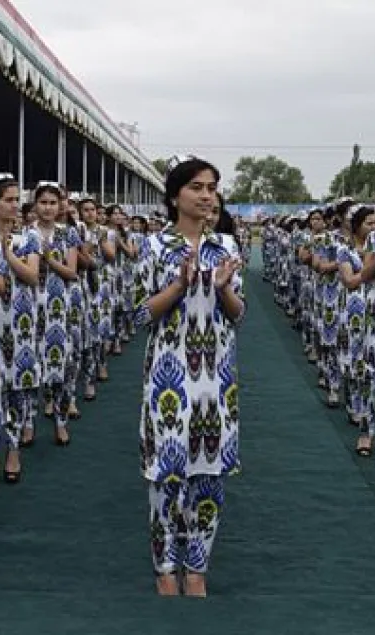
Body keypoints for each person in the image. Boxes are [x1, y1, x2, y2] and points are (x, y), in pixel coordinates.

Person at [135, 155, 244, 597]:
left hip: (216, 375)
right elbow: (141, 313)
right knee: (167, 472)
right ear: (175, 194)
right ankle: (165, 565)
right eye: (197, 186)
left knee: (209, 472)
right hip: (169, 372)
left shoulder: (228, 248)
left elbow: (240, 314)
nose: (205, 195)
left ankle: (197, 565)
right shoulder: (153, 246)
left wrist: (221, 290)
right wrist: (179, 285)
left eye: (211, 187)